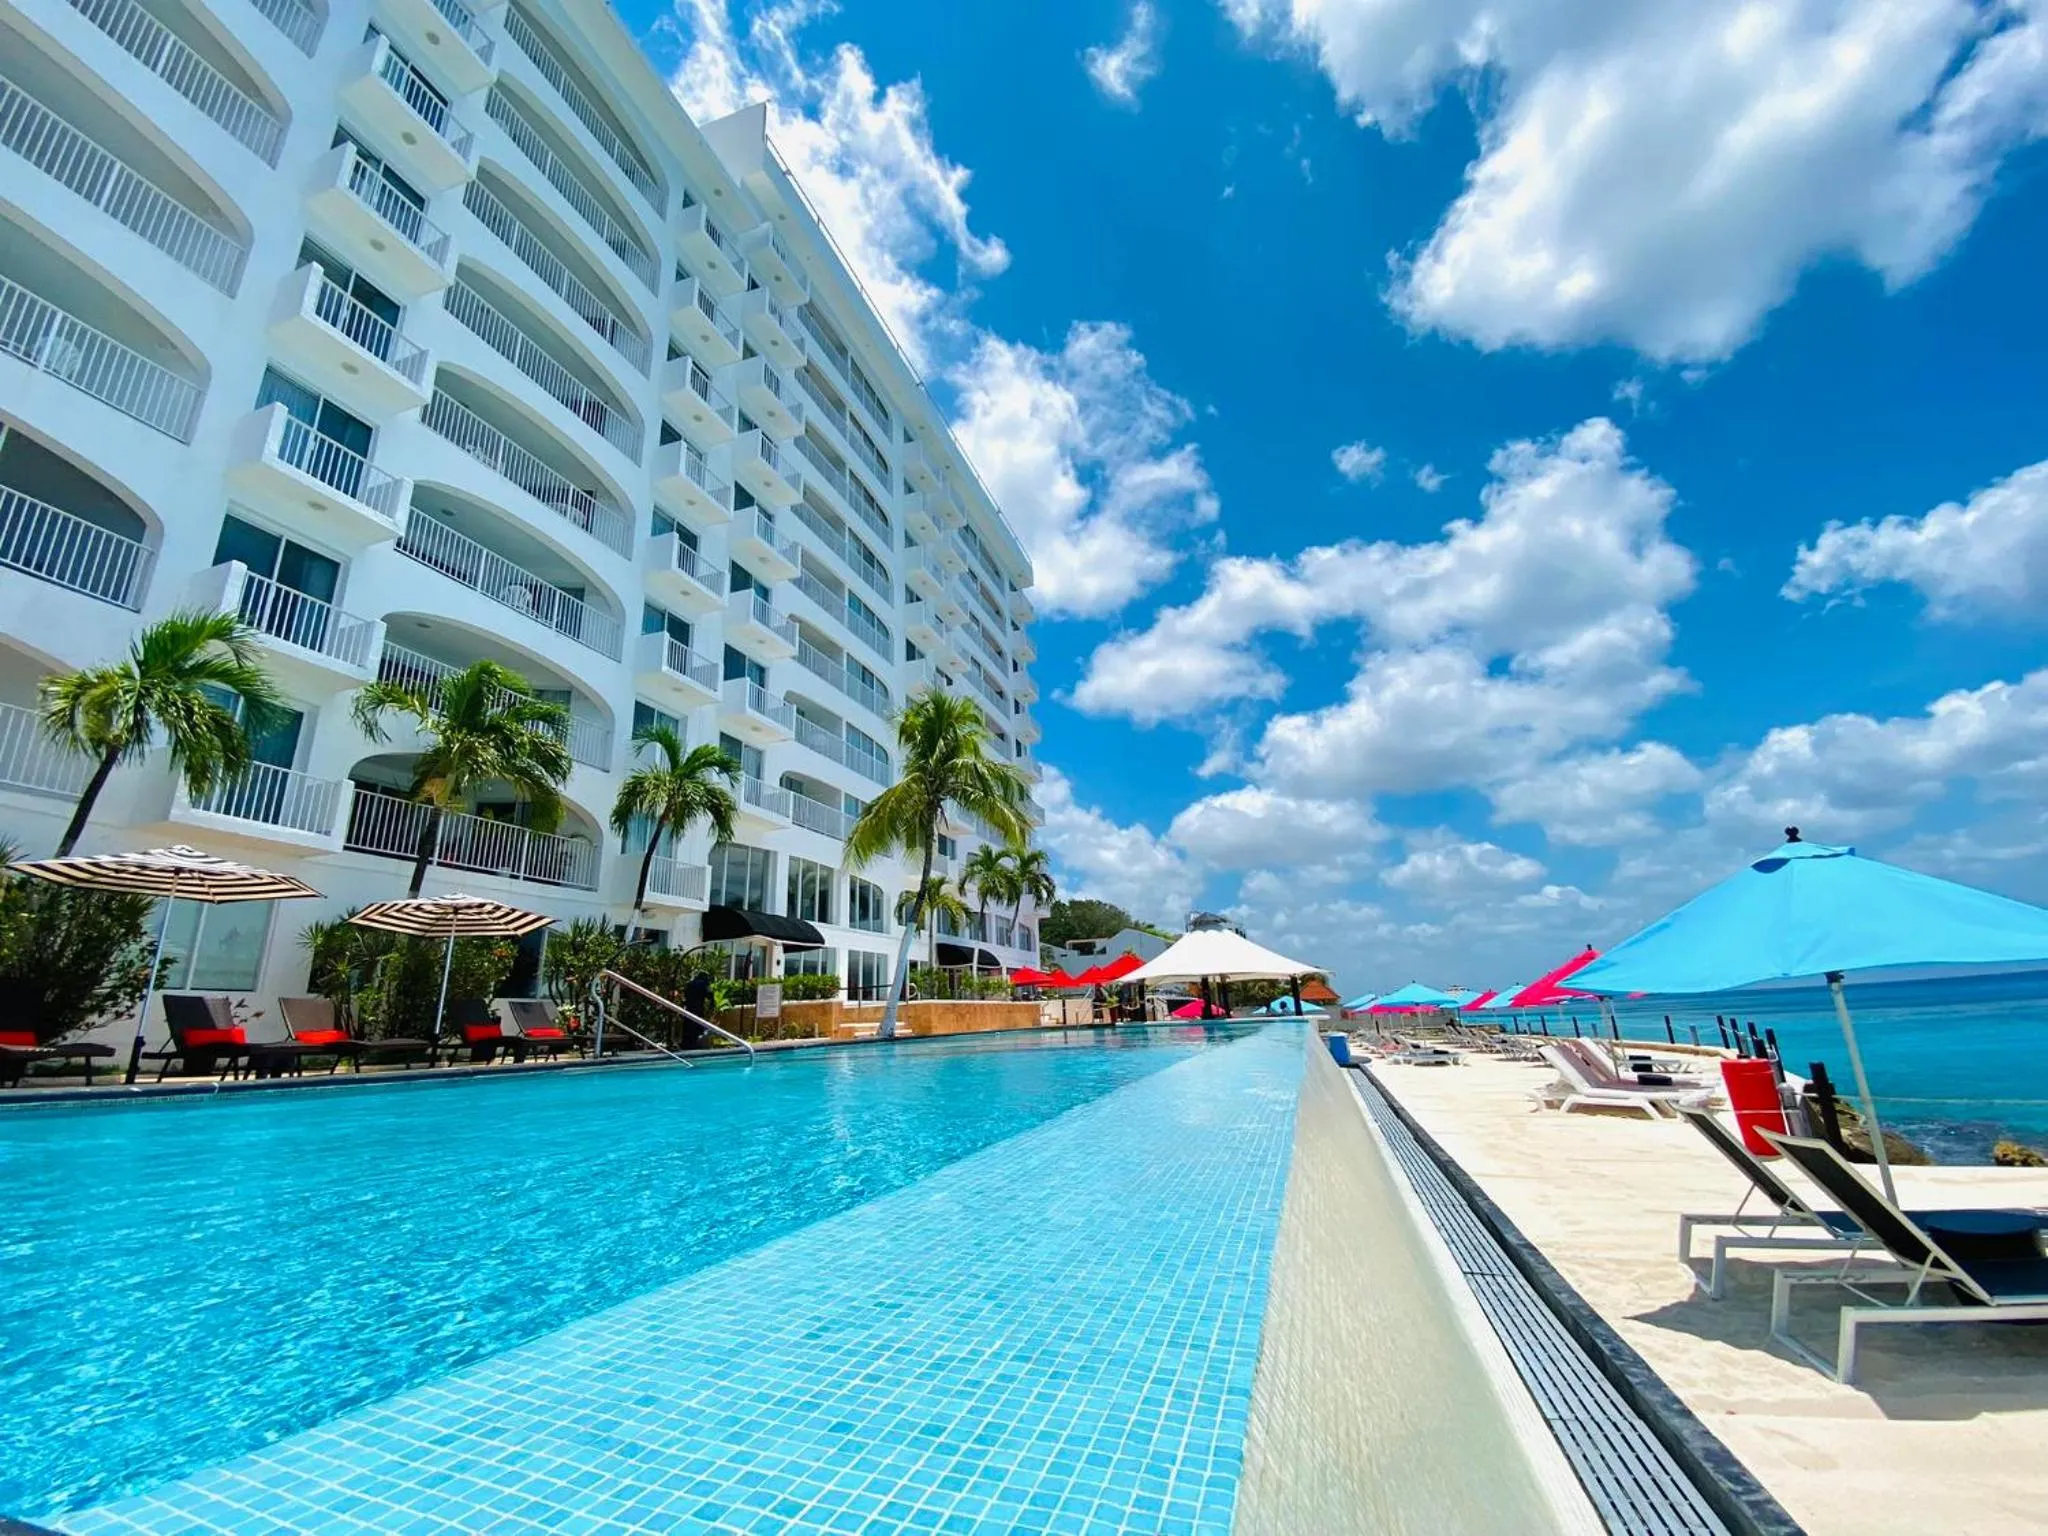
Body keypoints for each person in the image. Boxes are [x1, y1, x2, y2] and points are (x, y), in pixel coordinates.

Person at [680, 969, 713, 1050]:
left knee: (688, 1026)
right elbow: (710, 995)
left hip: (689, 1008)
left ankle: (686, 1044)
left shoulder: (690, 983)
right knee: (697, 1026)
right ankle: (694, 1044)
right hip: (698, 1008)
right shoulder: (704, 983)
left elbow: (685, 995)